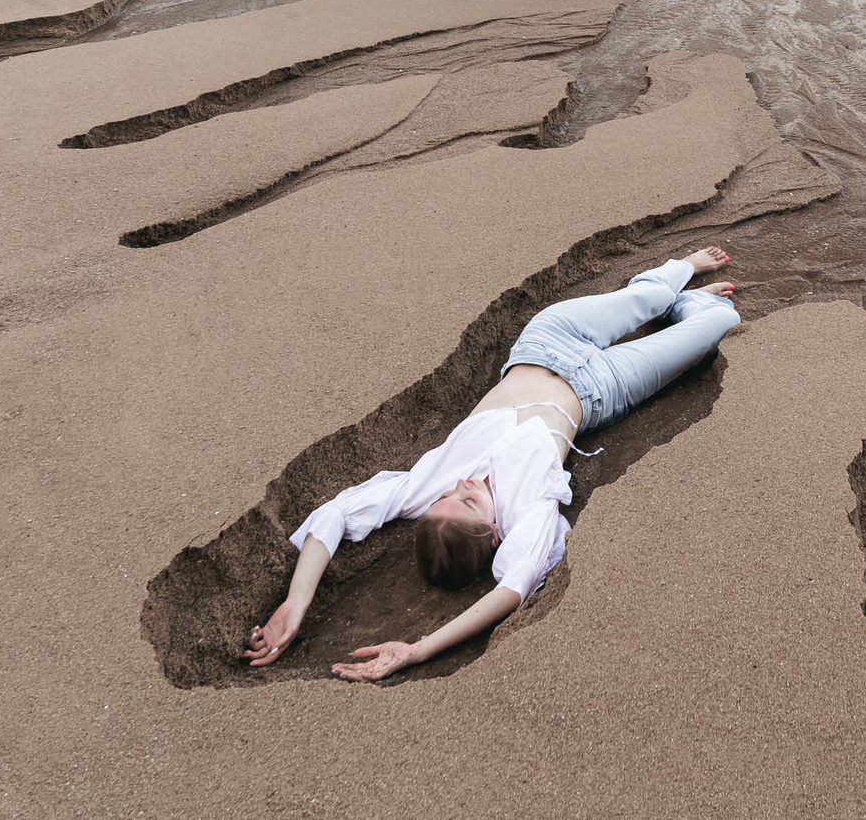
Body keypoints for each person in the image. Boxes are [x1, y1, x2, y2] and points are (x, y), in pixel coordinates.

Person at [242, 247, 740, 681]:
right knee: (720, 322)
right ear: (495, 532)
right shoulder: (527, 514)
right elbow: (512, 588)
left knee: (643, 301)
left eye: (446, 497)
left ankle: (679, 275)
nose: (460, 484)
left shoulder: (426, 486)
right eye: (469, 501)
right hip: (600, 389)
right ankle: (691, 304)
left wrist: (296, 602)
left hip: (547, 341)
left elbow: (335, 516)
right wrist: (417, 650)